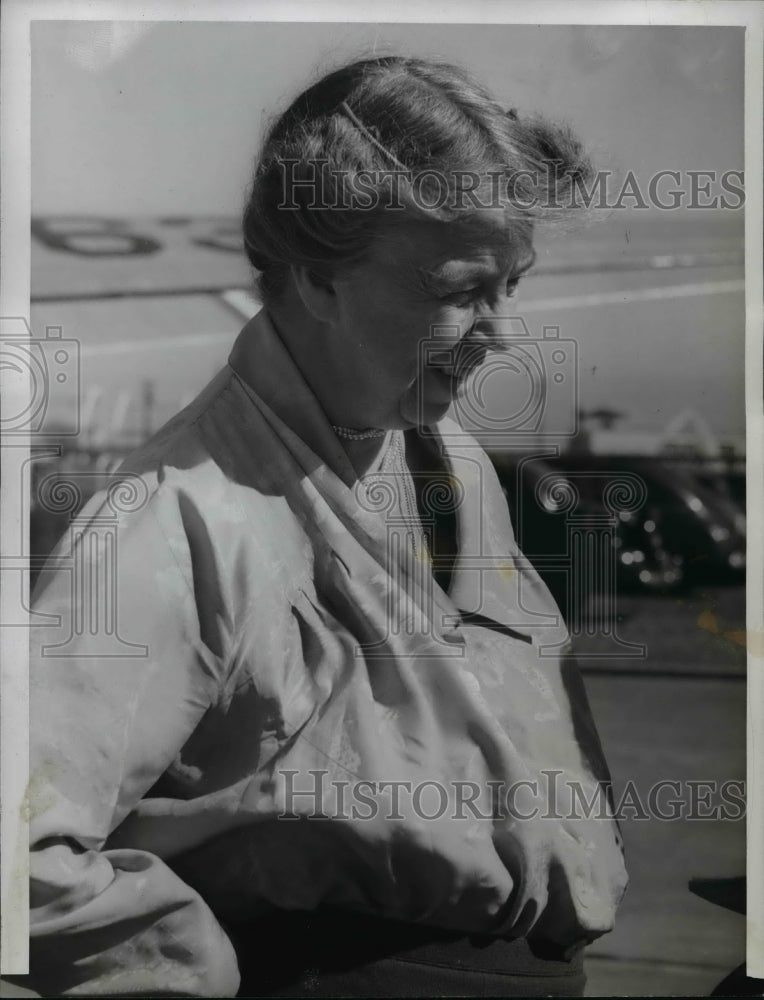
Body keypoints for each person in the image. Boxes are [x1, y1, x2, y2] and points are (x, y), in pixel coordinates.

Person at [23, 56, 627, 997]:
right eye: (462, 288)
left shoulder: (442, 458)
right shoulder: (172, 524)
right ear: (318, 277)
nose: (502, 333)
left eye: (513, 284)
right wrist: (191, 971)